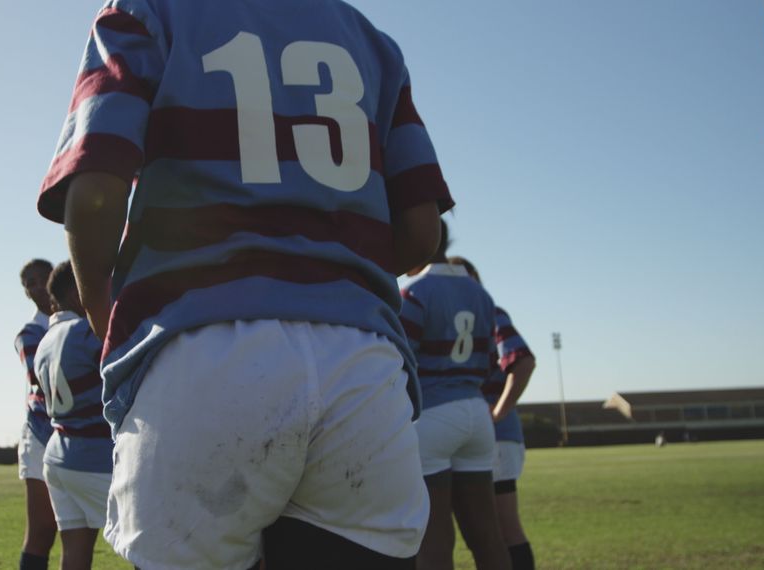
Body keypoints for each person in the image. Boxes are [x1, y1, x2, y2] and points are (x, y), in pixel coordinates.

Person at [35, 1, 454, 567]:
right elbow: (422, 232)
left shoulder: (148, 9)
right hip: (362, 364)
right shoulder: (370, 40)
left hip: (201, 347)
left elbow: (94, 188)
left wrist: (97, 302)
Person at [399, 222, 510, 570]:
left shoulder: (416, 292)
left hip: (432, 415)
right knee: (487, 535)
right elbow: (492, 360)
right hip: (476, 414)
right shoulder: (480, 293)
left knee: (434, 538)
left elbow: (400, 362)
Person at [449, 256, 537, 570]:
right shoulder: (452, 315)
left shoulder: (488, 313)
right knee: (485, 533)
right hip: (474, 434)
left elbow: (522, 360)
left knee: (502, 530)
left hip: (493, 435)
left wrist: (499, 411)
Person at [34, 261, 112, 570]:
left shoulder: (45, 341)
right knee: (154, 544)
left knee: (74, 554)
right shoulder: (85, 332)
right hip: (96, 457)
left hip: (58, 457)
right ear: (77, 292)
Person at [14, 258, 58, 570]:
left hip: (81, 434)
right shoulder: (29, 333)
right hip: (42, 435)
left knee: (81, 532)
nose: (38, 285)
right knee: (43, 530)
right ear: (26, 293)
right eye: (30, 282)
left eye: (44, 277)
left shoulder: (82, 320)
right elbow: (43, 383)